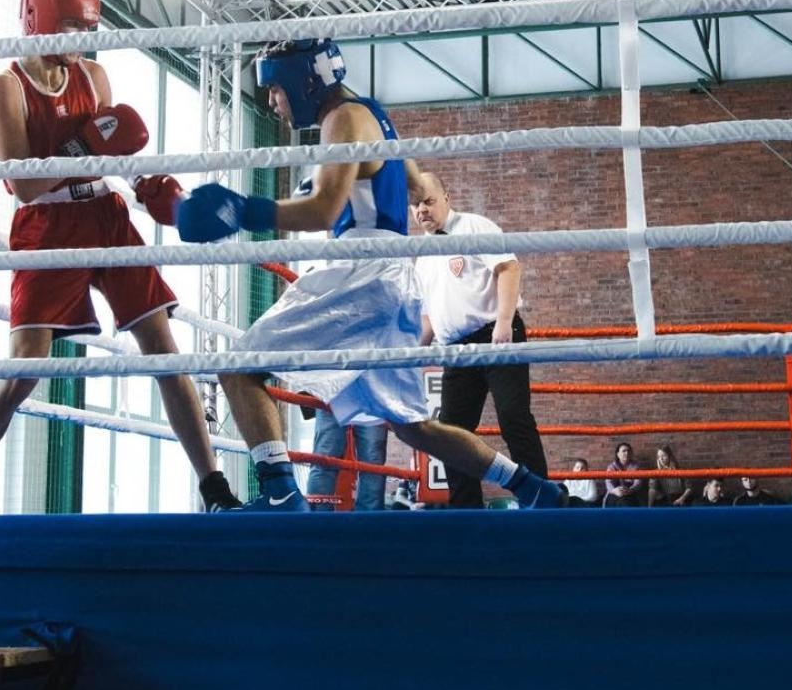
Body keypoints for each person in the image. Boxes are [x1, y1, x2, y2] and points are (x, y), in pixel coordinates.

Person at [172, 38, 567, 511]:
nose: (273, 102)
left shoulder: (343, 119)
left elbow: (323, 209)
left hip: (361, 271)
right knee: (411, 424)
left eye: (276, 89)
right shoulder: (373, 115)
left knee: (238, 368)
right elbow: (418, 183)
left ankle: (281, 496)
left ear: (303, 81)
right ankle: (532, 487)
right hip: (393, 277)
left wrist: (242, 211)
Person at [0, 0, 239, 515]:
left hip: (105, 215)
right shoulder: (5, 87)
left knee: (165, 354)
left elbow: (107, 156)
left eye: (88, 27)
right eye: (72, 25)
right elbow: (22, 183)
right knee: (26, 368)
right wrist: (83, 144)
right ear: (38, 20)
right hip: (46, 225)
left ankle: (214, 488)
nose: (82, 37)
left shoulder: (93, 75)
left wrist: (146, 187)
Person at [411, 171, 549, 507]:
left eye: (428, 201)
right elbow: (429, 314)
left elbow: (508, 268)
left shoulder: (475, 226)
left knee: (513, 416)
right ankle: (465, 513)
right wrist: (413, 354)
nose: (422, 210)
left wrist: (504, 321)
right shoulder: (422, 257)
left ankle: (542, 500)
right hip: (456, 352)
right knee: (451, 431)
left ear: (448, 197)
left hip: (495, 334)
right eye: (415, 205)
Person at [307, 408, 388, 511]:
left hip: (370, 397)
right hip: (332, 395)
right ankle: (317, 520)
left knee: (373, 464)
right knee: (324, 460)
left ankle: (369, 522)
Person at [602, 442, 642, 507]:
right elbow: (608, 482)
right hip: (614, 493)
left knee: (625, 501)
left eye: (628, 451)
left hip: (631, 493)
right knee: (620, 501)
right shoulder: (611, 467)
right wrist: (614, 491)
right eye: (624, 451)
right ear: (618, 454)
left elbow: (638, 483)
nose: (627, 453)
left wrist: (630, 490)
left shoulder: (636, 466)